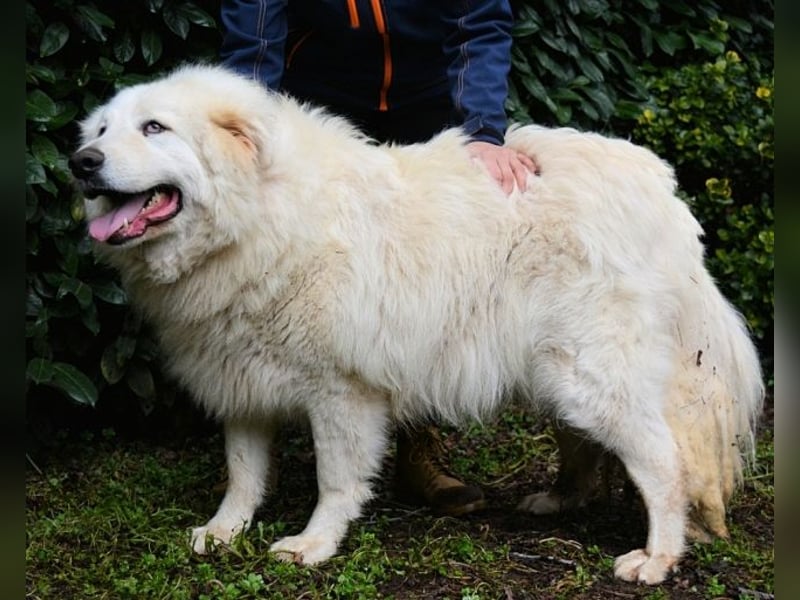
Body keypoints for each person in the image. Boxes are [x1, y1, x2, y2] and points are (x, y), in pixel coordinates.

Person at [220, 0, 536, 517]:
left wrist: (481, 131)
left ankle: (419, 453)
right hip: (319, 101)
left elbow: (478, 20)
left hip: (430, 96)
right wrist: (242, 132)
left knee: (422, 282)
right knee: (284, 279)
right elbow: (253, 37)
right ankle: (256, 462)